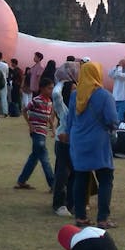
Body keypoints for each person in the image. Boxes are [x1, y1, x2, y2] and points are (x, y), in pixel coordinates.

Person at [67, 62, 118, 228]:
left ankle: (80, 216)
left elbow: (69, 121)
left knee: (81, 177)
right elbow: (112, 120)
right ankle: (102, 219)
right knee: (105, 179)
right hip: (98, 141)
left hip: (78, 140)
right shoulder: (104, 95)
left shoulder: (75, 95)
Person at [14, 75, 55, 192]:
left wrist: (53, 128)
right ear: (42, 88)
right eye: (49, 88)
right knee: (44, 158)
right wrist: (30, 125)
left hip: (42, 132)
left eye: (52, 88)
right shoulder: (36, 100)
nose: (51, 90)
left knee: (34, 158)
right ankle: (53, 184)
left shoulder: (49, 102)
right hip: (37, 132)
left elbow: (48, 117)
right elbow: (24, 111)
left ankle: (22, 181)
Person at [51, 63, 77, 217]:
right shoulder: (62, 107)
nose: (76, 92)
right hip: (63, 141)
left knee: (74, 173)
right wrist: (63, 80)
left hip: (75, 141)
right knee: (63, 173)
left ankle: (71, 203)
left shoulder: (76, 106)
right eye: (73, 90)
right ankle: (59, 204)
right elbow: (55, 93)